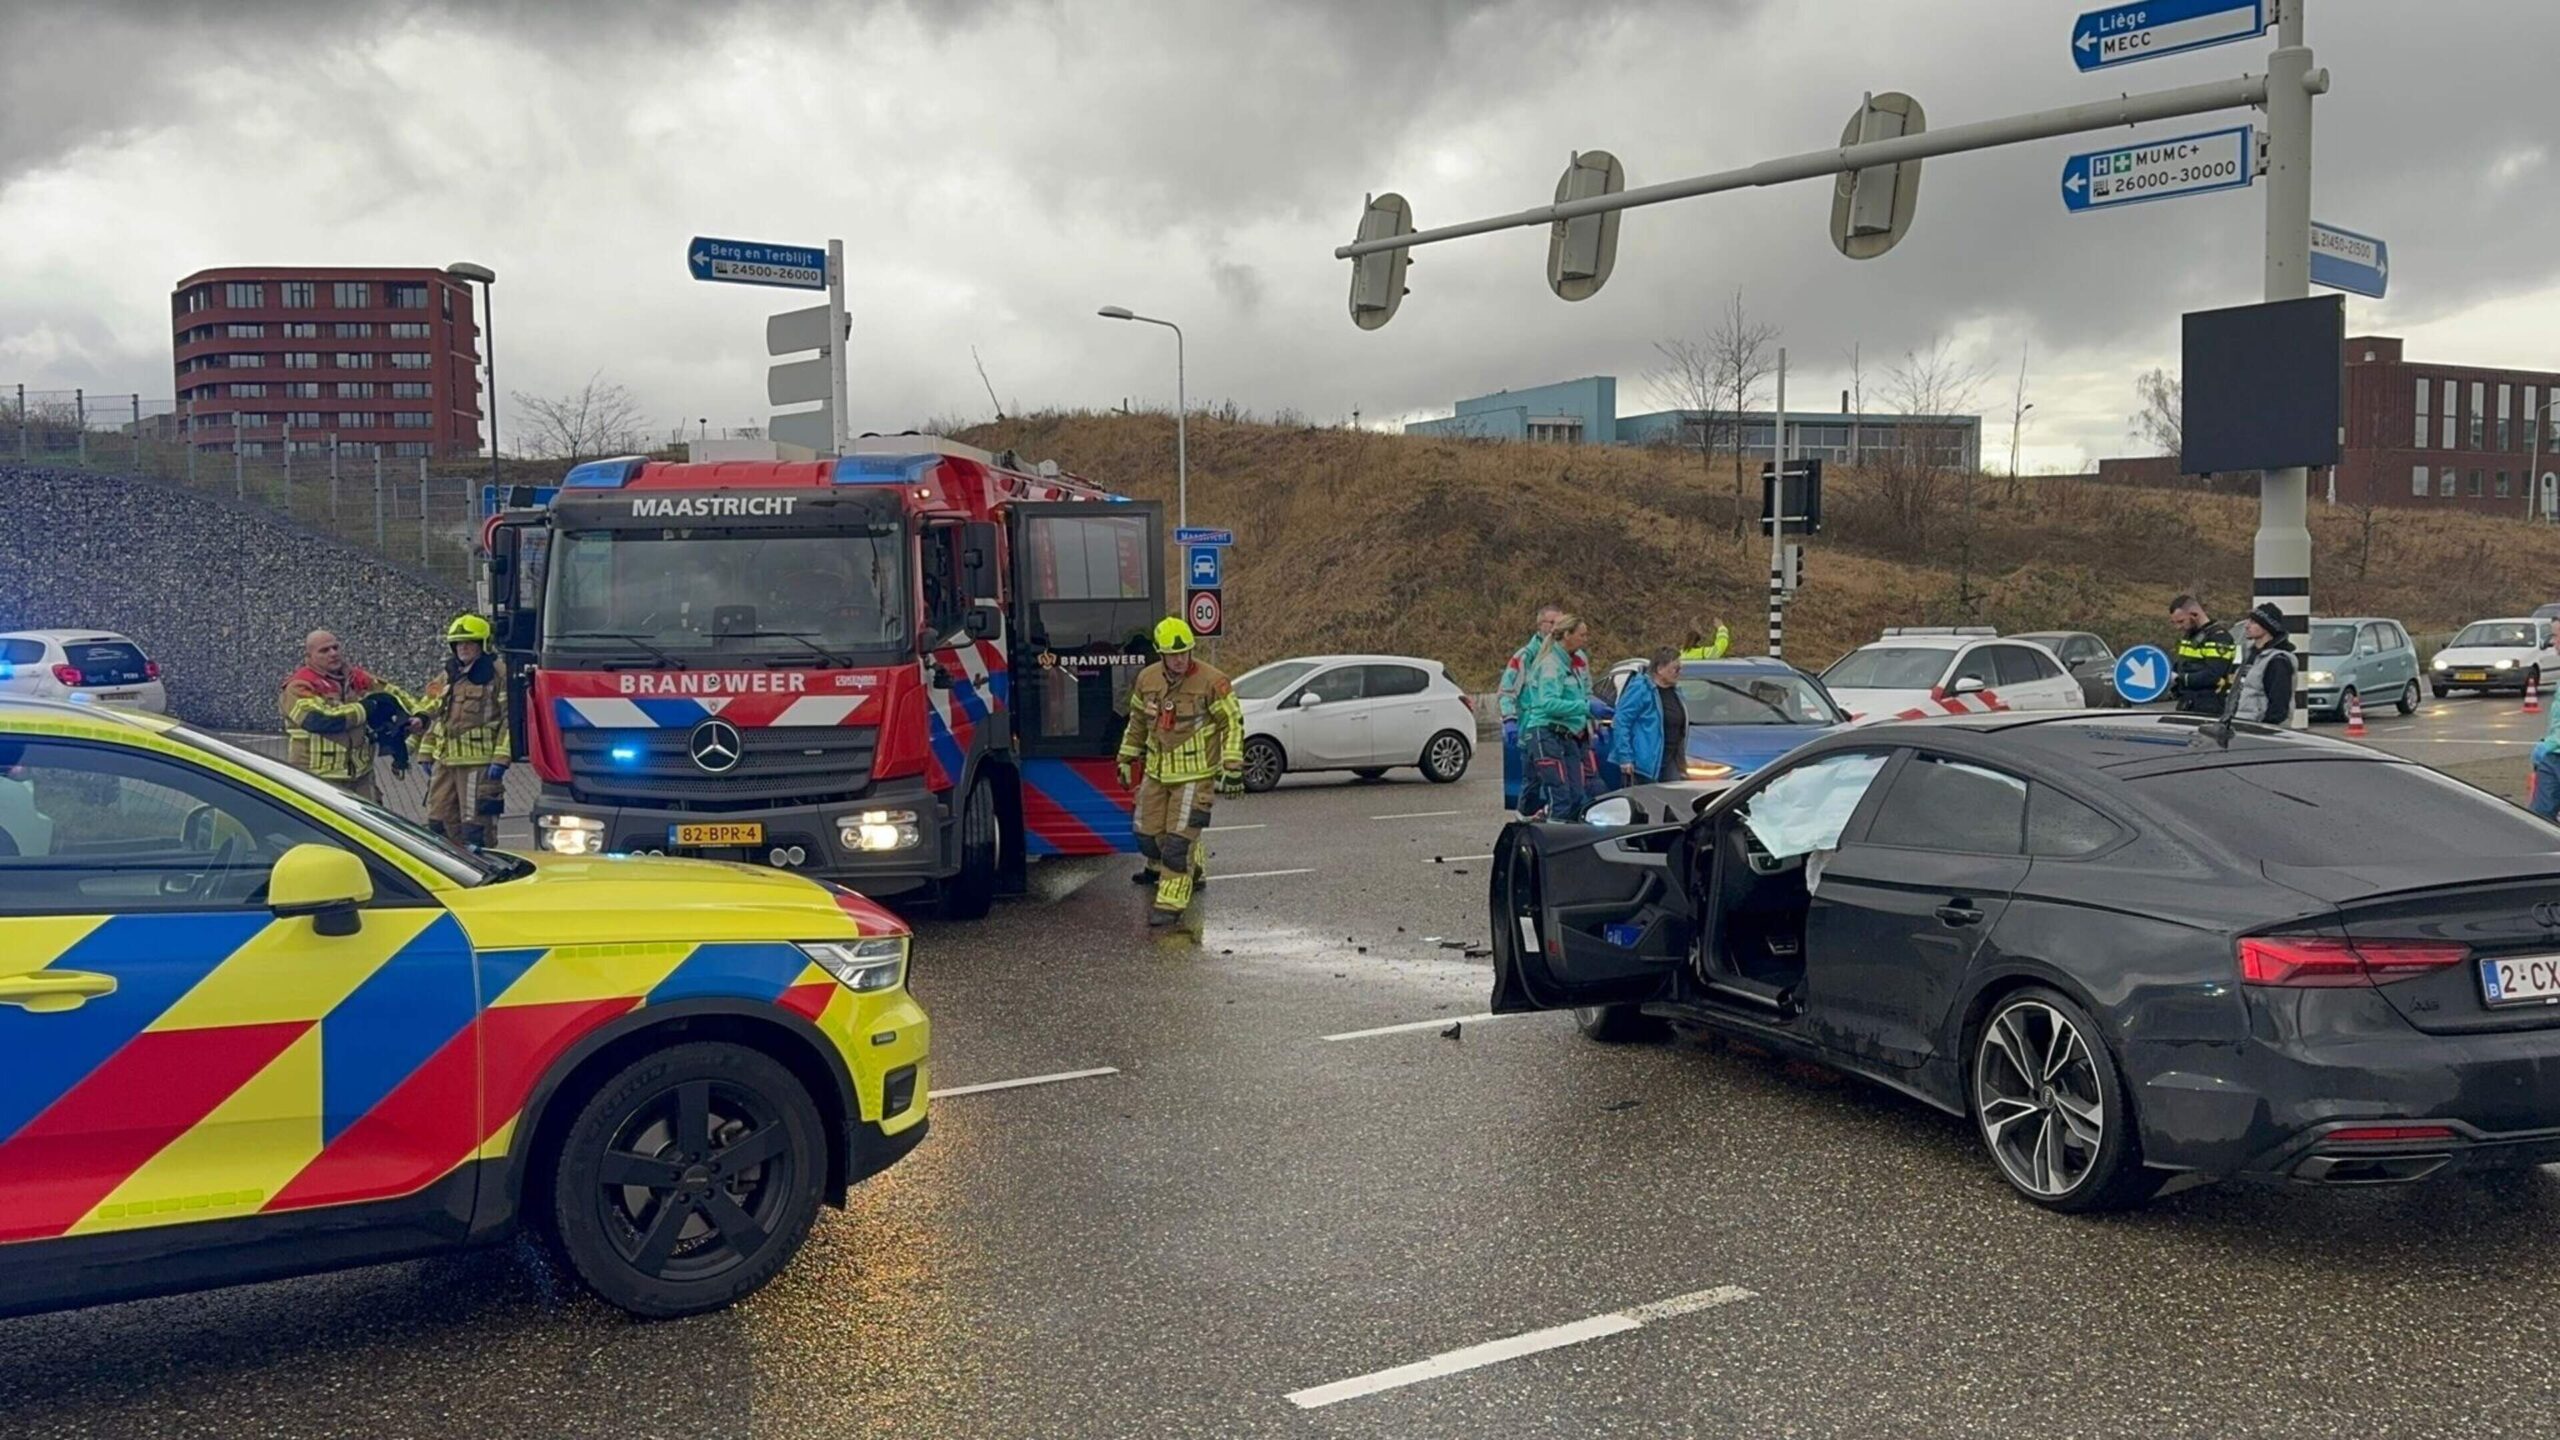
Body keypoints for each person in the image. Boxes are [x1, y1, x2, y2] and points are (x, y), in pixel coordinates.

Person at [1118, 616, 1246, 926]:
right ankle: (1193, 862)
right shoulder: (1147, 679)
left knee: (1176, 846)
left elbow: (1232, 722)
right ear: (1161, 653)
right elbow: (1137, 721)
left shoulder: (1212, 681)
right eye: (1173, 654)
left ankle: (1171, 903)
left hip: (1194, 776)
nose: (1180, 659)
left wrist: (1232, 766)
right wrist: (1126, 757)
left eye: (1185, 652)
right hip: (1157, 773)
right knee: (1147, 836)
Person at [279, 630, 415, 803]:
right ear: (309, 656)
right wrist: (366, 708)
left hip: (361, 776)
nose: (333, 653)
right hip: (319, 777)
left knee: (370, 818)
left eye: (335, 647)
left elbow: (394, 694)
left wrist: (419, 715)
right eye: (324, 650)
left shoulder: (356, 678)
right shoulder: (299, 686)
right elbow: (320, 720)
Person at [418, 614, 511, 848]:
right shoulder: (448, 674)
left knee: (475, 828)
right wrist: (425, 751)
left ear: (483, 644)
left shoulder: (499, 674)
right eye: (458, 643)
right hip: (445, 762)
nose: (463, 648)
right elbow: (433, 711)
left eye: (469, 643)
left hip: (478, 765)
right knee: (438, 823)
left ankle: (483, 866)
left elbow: (511, 720)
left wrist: (501, 758)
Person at [1518, 614, 1598, 822]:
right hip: (1546, 733)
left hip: (1567, 735)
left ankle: (1549, 824)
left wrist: (1592, 713)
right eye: (1582, 635)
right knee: (1560, 795)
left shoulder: (1571, 663)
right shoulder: (1551, 665)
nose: (1585, 639)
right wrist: (1586, 707)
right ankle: (1551, 834)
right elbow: (1548, 703)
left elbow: (1579, 696)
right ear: (1567, 635)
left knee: (1576, 795)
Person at [1499, 603, 1564, 813]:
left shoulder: (1568, 656)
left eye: (1560, 623)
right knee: (1533, 781)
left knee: (1561, 784)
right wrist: (1510, 719)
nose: (1555, 628)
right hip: (1532, 728)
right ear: (1540, 625)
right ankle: (1524, 821)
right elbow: (1506, 691)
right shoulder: (1525, 657)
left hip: (1561, 729)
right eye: (1551, 623)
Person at [1605, 647, 1688, 789]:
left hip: (1670, 759)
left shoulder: (1675, 692)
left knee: (1674, 797)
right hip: (1644, 763)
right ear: (1660, 669)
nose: (1679, 672)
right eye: (1675, 669)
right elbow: (1622, 721)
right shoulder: (1641, 689)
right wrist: (1625, 757)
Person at [2229, 603, 2299, 726]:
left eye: (2253, 622)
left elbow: (2279, 705)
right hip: (2242, 725)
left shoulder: (2278, 661)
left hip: (2259, 729)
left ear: (2267, 627)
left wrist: (2264, 728)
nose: (2246, 625)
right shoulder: (2251, 654)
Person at [2168, 593, 2238, 715]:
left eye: (2181, 621)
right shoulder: (2190, 635)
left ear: (2195, 615)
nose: (2178, 627)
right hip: (2187, 702)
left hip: (2208, 705)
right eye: (2174, 623)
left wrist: (2180, 678)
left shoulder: (2219, 638)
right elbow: (2182, 665)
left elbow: (2213, 675)